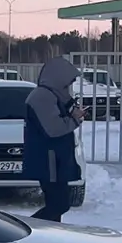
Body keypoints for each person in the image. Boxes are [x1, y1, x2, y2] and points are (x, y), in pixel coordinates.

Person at [24, 57, 85, 221]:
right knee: (59, 204)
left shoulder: (52, 94)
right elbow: (54, 128)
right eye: (66, 84)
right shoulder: (42, 97)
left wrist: (72, 111)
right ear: (58, 78)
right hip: (49, 161)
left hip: (55, 161)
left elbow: (60, 111)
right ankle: (29, 229)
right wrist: (74, 120)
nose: (68, 88)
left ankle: (50, 233)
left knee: (57, 204)